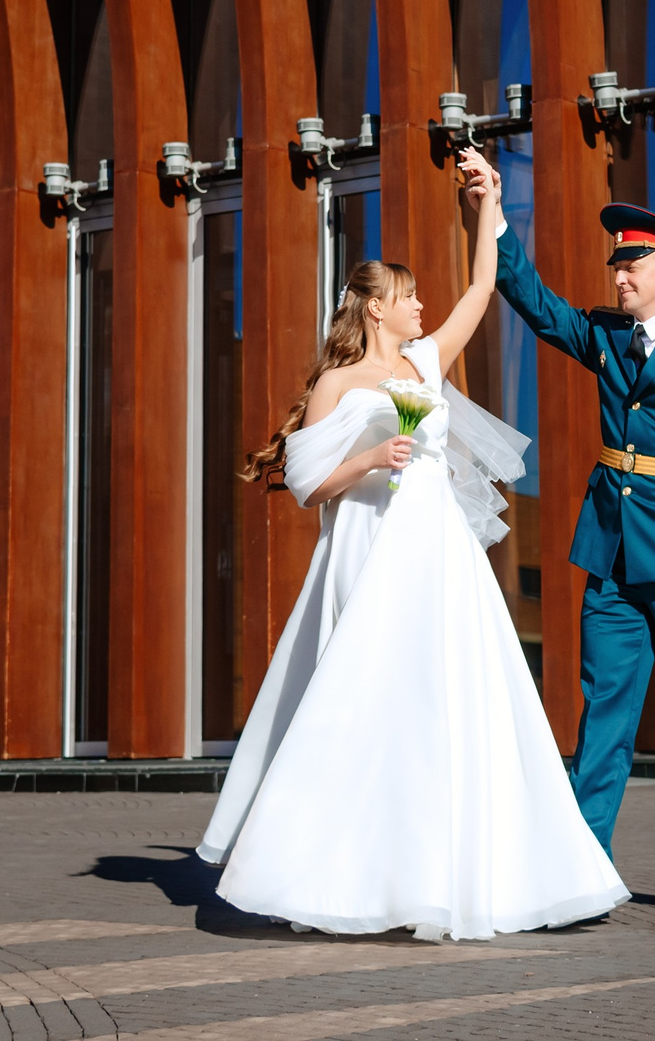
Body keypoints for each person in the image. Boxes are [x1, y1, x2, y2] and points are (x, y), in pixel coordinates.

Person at [195, 149, 628, 942]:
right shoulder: (339, 385)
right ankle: (340, 870)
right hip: (370, 551)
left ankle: (469, 873)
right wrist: (367, 458)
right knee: (367, 700)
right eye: (405, 296)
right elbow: (305, 482)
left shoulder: (423, 364)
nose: (422, 304)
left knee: (450, 702)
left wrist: (487, 202)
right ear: (373, 310)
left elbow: (480, 289)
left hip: (440, 558)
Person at [473, 154, 655, 920]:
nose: (619, 278)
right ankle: (582, 873)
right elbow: (533, 302)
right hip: (611, 558)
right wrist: (495, 213)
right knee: (602, 717)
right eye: (616, 266)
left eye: (632, 263)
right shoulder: (605, 337)